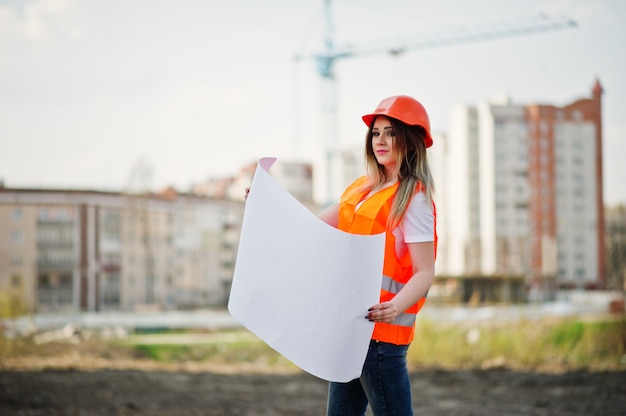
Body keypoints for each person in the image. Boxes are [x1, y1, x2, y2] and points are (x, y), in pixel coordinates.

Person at [318, 95, 437, 416]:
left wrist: (394, 307)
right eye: (375, 132)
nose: (380, 140)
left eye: (390, 133)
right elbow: (312, 228)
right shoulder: (360, 189)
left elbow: (425, 272)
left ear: (410, 141)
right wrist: (265, 202)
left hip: (382, 337)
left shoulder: (414, 198)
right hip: (350, 328)